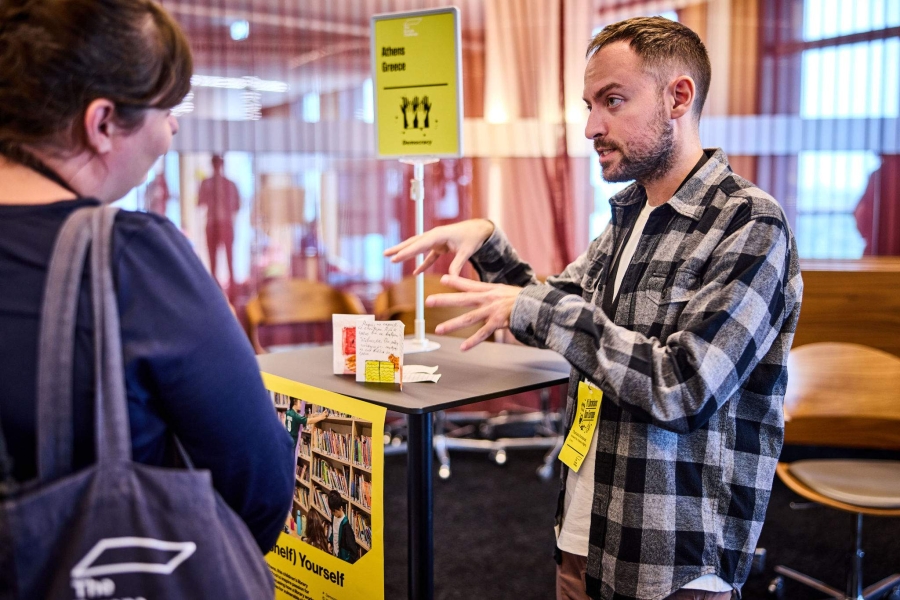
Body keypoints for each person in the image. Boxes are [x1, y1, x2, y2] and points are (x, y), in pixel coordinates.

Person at [385, 16, 803, 600]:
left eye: (612, 101)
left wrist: (539, 309)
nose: (590, 127)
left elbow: (684, 386)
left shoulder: (749, 223)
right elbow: (555, 312)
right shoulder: (629, 215)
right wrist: (489, 244)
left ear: (678, 96)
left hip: (672, 562)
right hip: (585, 533)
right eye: (588, 104)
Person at [0, 0, 294, 554]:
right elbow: (258, 489)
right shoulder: (133, 260)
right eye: (167, 108)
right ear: (103, 122)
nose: (173, 128)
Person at [197, 154, 241, 287]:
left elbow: (237, 205)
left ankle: (232, 289)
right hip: (212, 224)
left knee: (230, 259)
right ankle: (215, 288)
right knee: (213, 261)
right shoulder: (206, 183)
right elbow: (200, 203)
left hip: (225, 224)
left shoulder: (229, 184)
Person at [327, 490, 360, 564]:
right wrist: (330, 542)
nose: (333, 513)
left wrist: (346, 562)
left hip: (342, 560)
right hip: (335, 554)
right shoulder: (334, 516)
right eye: (332, 511)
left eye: (335, 511)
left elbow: (354, 552)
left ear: (340, 508)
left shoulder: (346, 527)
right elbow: (334, 532)